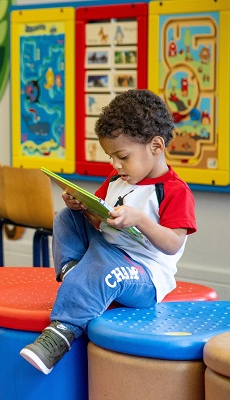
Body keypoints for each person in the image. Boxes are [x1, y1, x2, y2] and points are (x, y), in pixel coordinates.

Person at [20, 89, 197, 374]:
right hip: (105, 253)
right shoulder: (118, 178)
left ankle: (62, 332)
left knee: (104, 266)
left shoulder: (175, 191)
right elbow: (96, 219)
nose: (114, 165)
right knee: (66, 218)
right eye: (111, 156)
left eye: (122, 156)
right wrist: (81, 206)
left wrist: (139, 219)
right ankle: (74, 272)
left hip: (144, 275)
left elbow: (173, 243)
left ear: (156, 146)